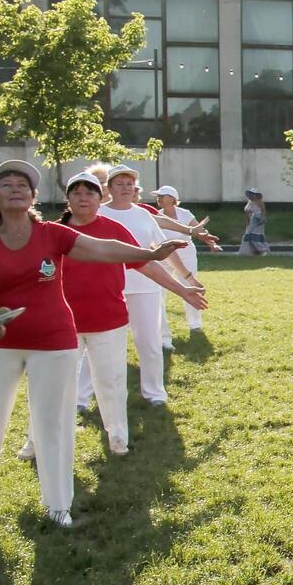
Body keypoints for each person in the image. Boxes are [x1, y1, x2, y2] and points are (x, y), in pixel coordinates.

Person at [0, 161, 185, 529]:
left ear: (33, 196)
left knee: (54, 422)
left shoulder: (53, 234)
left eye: (23, 185)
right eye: (6, 185)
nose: (15, 189)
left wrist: (148, 254)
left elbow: (103, 249)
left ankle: (57, 506)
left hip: (53, 341)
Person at [29, 173, 206, 460]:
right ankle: (35, 441)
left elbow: (145, 264)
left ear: (100, 199)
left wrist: (181, 288)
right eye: (77, 192)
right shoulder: (52, 232)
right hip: (62, 323)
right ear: (68, 199)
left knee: (111, 383)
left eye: (90, 192)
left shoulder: (114, 229)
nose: (83, 198)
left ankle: (118, 440)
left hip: (106, 320)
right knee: (51, 385)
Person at [93, 165, 200, 407]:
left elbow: (162, 250)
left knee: (150, 342)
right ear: (109, 189)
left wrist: (187, 277)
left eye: (129, 184)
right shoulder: (98, 213)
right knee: (103, 344)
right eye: (119, 184)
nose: (125, 188)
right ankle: (87, 396)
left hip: (146, 285)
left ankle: (155, 393)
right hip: (108, 288)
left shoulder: (143, 215)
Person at [152, 185, 213, 341]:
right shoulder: (157, 216)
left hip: (186, 255)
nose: (158, 198)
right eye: (157, 196)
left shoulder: (184, 214)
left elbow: (197, 230)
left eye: (162, 195)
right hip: (164, 256)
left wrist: (210, 242)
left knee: (190, 286)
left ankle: (195, 325)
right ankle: (160, 330)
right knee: (158, 290)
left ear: (172, 199)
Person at [239, 189, 269, 255]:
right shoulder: (249, 202)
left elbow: (263, 210)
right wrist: (247, 221)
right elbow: (247, 211)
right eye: (251, 194)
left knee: (254, 235)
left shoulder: (259, 202)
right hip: (250, 220)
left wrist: (261, 218)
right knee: (247, 235)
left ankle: (263, 250)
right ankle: (247, 252)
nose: (252, 195)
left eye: (253, 194)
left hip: (257, 220)